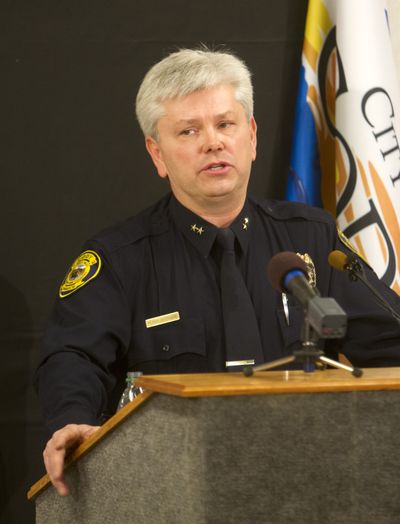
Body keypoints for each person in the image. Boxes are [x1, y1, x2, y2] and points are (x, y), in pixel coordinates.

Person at [35, 47, 400, 496]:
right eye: (189, 131)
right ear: (157, 154)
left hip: (307, 480)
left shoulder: (312, 240)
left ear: (251, 135)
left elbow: (389, 342)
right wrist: (72, 418)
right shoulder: (118, 259)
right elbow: (73, 357)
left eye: (225, 124)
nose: (213, 141)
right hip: (173, 488)